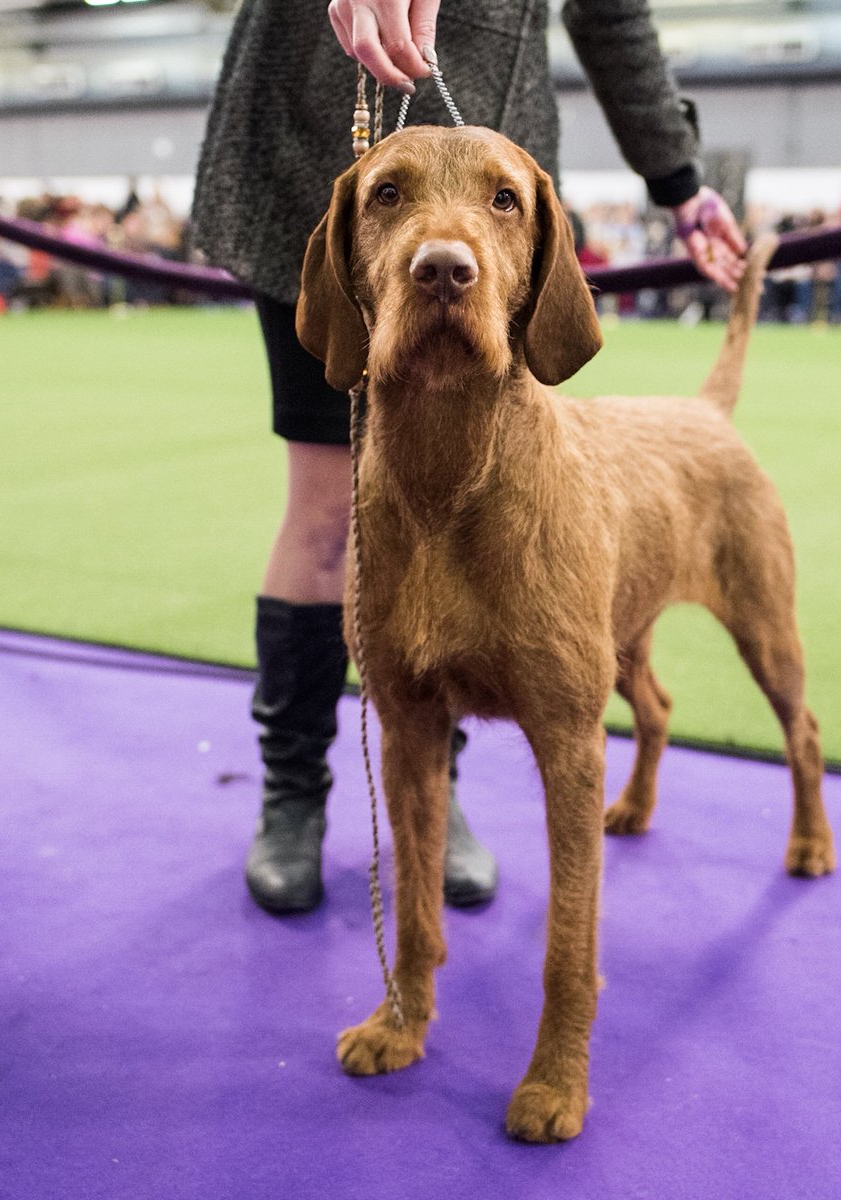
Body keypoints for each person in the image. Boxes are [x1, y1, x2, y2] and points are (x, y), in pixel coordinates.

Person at [191, 0, 747, 916]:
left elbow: (611, 12)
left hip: (495, 159)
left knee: (489, 508)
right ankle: (294, 793)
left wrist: (679, 176)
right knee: (326, 501)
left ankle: (429, 785)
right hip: (315, 143)